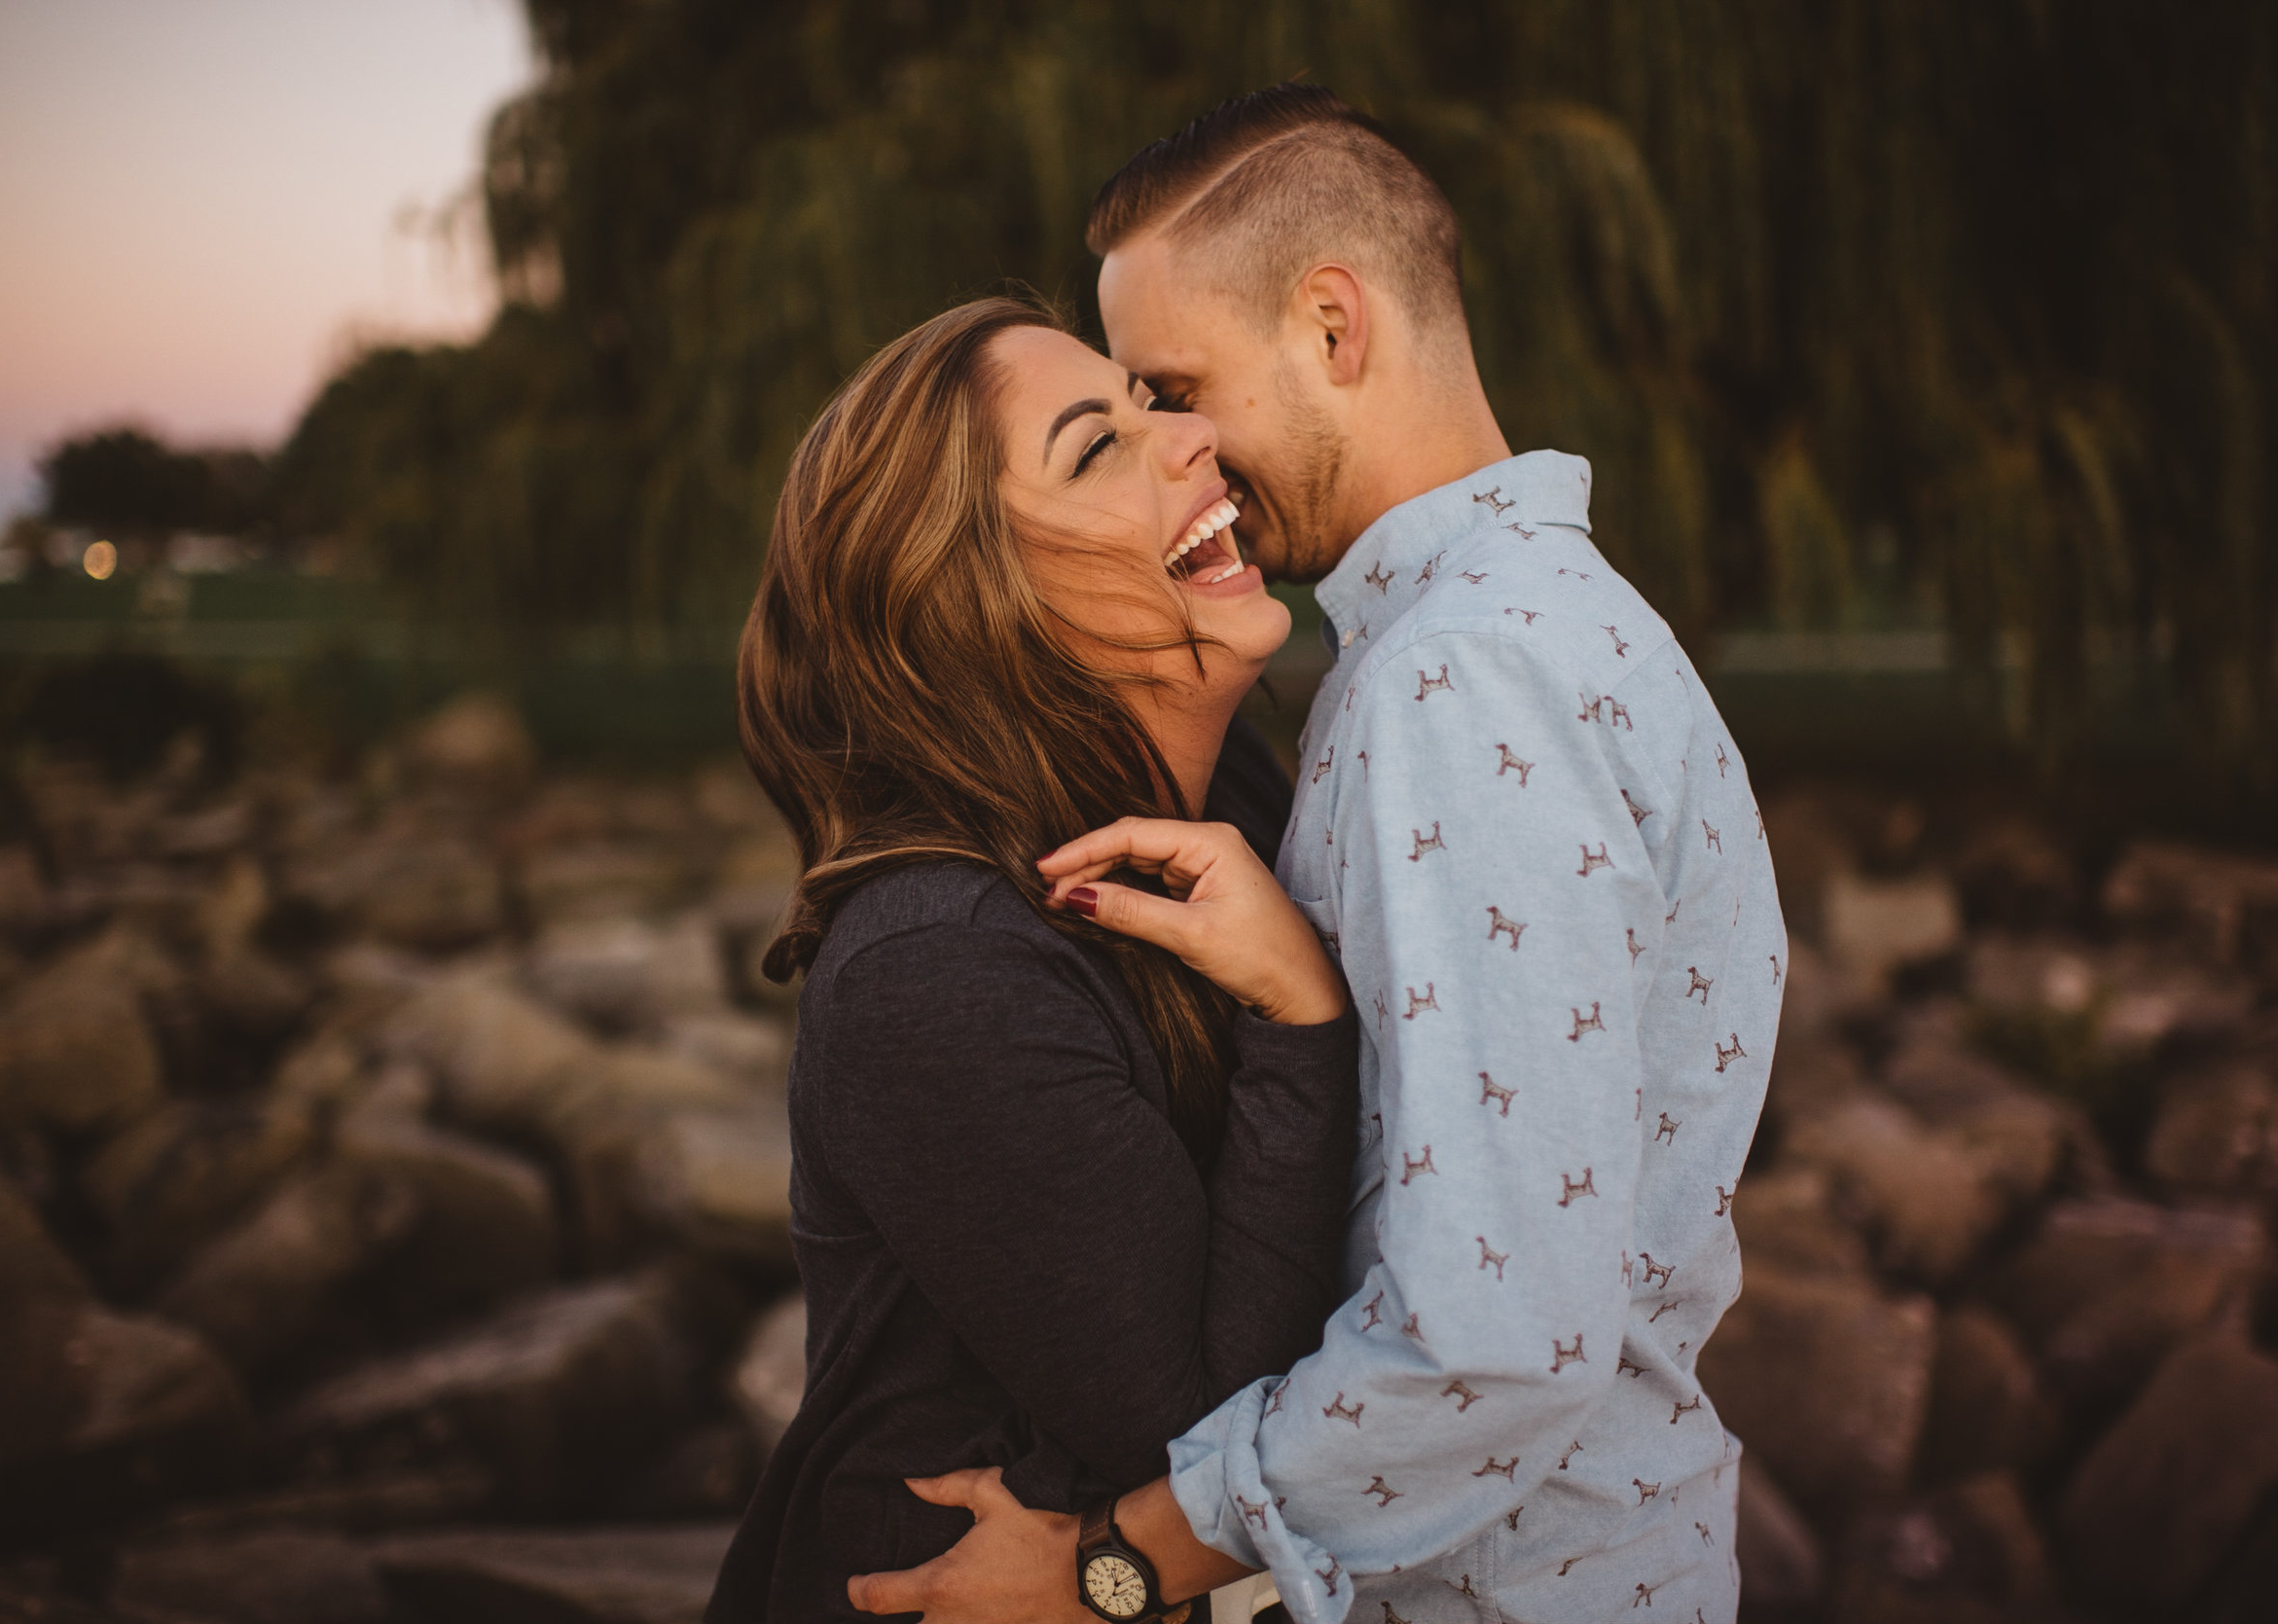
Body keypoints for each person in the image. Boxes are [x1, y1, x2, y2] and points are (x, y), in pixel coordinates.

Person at [848, 86, 1787, 1624]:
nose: (1176, 445)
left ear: (1334, 327)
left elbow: (1494, 1337)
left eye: (1173, 383)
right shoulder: (1519, 633)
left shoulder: (1460, 681)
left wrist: (1114, 1563)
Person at [702, 295, 1368, 1624]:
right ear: (976, 604)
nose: (1190, 436)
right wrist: (1301, 1014)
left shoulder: (1228, 802)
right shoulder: (934, 967)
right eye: (1097, 446)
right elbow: (1197, 1434)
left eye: (1150, 402)